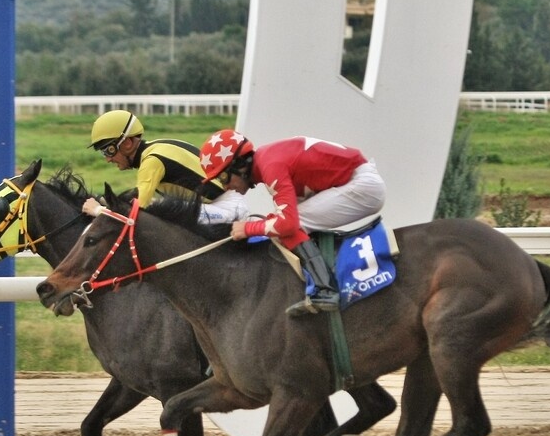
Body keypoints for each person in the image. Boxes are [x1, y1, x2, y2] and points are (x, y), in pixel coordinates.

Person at [199, 129, 386, 317]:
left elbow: (288, 224)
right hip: (355, 180)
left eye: (223, 177)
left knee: (288, 226)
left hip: (363, 186)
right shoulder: (267, 160)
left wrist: (248, 228)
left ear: (239, 164)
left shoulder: (271, 165)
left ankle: (326, 290)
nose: (225, 187)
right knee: (279, 224)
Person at [83, 110, 248, 224]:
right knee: (159, 206)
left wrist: (99, 211)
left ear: (127, 143)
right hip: (222, 204)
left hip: (226, 209)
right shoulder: (156, 148)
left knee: (157, 216)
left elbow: (133, 215)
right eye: (103, 153)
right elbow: (136, 196)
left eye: (108, 150)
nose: (107, 159)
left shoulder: (152, 160)